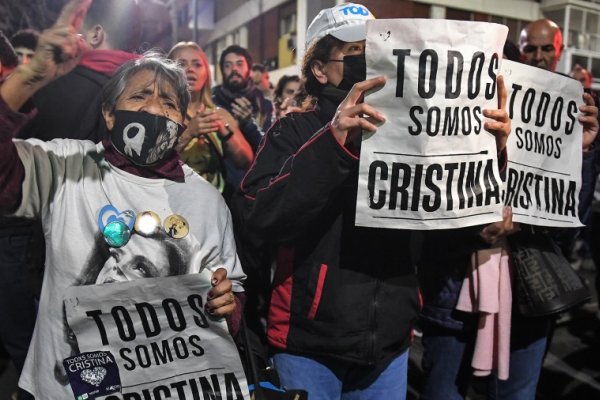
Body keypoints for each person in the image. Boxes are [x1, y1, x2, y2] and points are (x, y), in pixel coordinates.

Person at [240, 3, 510, 399]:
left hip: (389, 346)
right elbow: (258, 217)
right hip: (308, 346)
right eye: (354, 53)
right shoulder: (293, 131)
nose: (369, 61)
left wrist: (489, 154)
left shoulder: (420, 135)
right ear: (319, 69)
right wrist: (333, 146)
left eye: (375, 49)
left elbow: (451, 229)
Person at [0, 1, 245, 398]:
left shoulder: (205, 200)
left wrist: (226, 303)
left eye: (168, 103)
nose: (153, 109)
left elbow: (230, 301)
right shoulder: (66, 166)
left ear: (183, 121)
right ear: (110, 115)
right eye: (140, 97)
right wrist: (29, 77)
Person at [419, 20, 599, 400]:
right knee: (442, 392)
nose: (537, 57)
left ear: (559, 49)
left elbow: (570, 223)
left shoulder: (569, 109)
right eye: (528, 49)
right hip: (454, 283)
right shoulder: (469, 99)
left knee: (516, 394)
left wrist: (580, 152)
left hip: (529, 291)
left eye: (545, 49)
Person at [167, 41, 252, 195]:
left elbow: (245, 161)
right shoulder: (160, 113)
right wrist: (188, 133)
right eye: (181, 64)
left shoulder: (219, 113)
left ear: (207, 73)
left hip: (215, 205)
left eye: (197, 64)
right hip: (173, 203)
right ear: (168, 72)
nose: (190, 69)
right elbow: (151, 161)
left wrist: (224, 131)